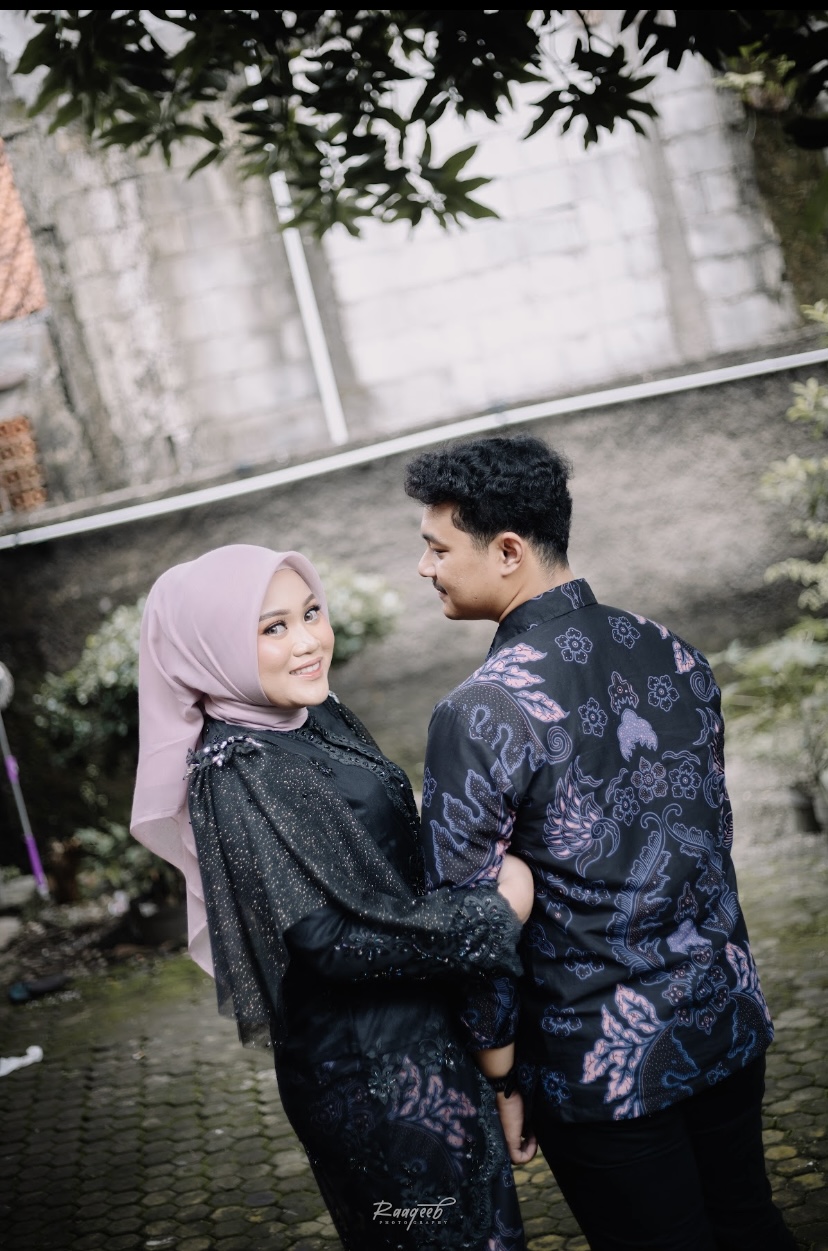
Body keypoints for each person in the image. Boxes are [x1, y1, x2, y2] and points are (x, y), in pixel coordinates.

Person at [404, 435, 797, 1251]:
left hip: (601, 1061)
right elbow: (710, 843)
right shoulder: (673, 649)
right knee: (751, 1225)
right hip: (724, 1013)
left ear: (507, 550)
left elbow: (469, 921)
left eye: (438, 548)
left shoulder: (480, 711)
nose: (425, 567)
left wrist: (500, 1072)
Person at [130, 543, 533, 1251]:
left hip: (426, 1037)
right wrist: (494, 914)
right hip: (373, 1079)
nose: (309, 641)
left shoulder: (309, 714)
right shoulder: (238, 767)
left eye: (311, 613)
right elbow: (330, 942)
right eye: (273, 627)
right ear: (212, 649)